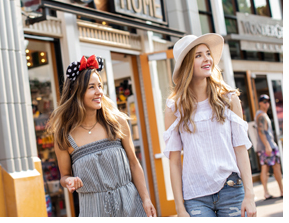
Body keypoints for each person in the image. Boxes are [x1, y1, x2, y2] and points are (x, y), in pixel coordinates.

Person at [47, 55, 156, 217]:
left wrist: (146, 199)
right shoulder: (64, 136)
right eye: (91, 87)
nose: (99, 92)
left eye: (100, 86)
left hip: (131, 206)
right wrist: (68, 181)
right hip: (93, 211)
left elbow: (134, 163)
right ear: (77, 92)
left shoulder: (117, 122)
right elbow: (65, 175)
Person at [163, 34, 257, 217]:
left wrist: (250, 195)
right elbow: (174, 162)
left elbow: (240, 149)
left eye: (208, 53)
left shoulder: (229, 99)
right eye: (198, 55)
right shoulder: (174, 107)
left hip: (231, 190)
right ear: (187, 65)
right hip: (195, 196)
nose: (207, 59)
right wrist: (179, 208)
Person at [255, 94, 283, 200]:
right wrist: (267, 146)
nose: (267, 104)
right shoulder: (261, 115)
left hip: (266, 146)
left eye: (268, 101)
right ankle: (281, 191)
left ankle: (268, 192)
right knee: (274, 168)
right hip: (267, 146)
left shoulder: (262, 114)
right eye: (264, 101)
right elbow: (261, 132)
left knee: (265, 168)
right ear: (260, 103)